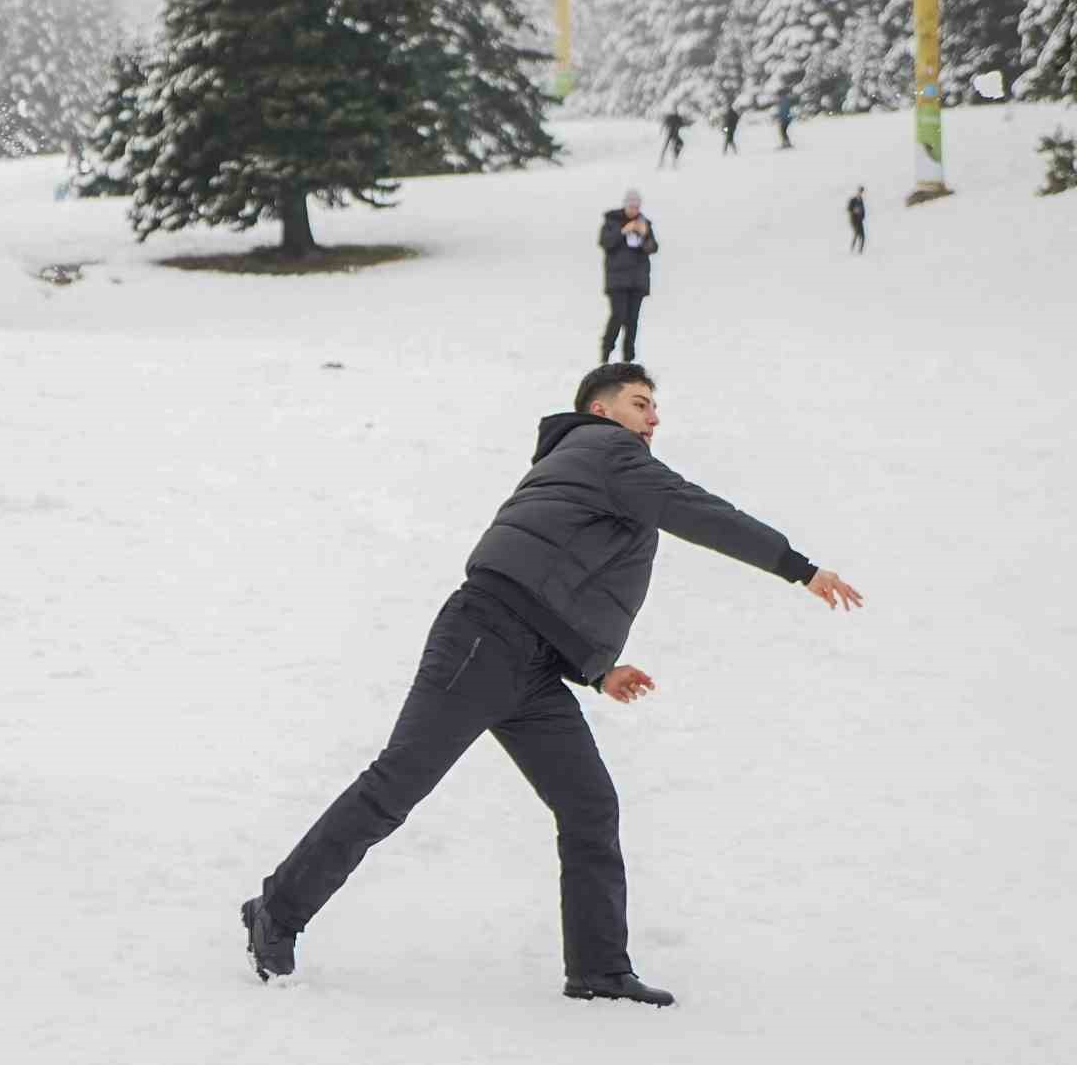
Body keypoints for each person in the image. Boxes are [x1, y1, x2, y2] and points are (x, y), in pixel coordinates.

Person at [241, 362, 864, 1006]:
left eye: (655, 408)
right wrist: (799, 569)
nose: (653, 419)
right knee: (397, 784)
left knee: (589, 805)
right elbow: (697, 511)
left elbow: (567, 580)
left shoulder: (606, 474)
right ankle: (277, 912)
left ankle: (598, 968)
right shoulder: (605, 450)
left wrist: (599, 671)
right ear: (602, 411)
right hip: (486, 636)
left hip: (533, 666)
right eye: (640, 403)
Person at [598, 190, 658, 364]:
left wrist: (645, 234)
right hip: (617, 281)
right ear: (625, 205)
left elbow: (652, 248)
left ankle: (628, 361)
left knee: (632, 322)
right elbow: (605, 242)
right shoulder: (612, 222)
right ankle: (605, 354)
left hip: (637, 281)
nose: (633, 209)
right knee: (618, 316)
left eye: (637, 206)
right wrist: (623, 231)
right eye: (631, 205)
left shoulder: (644, 223)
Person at [847, 185, 867, 254]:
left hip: (859, 220)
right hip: (853, 220)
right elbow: (848, 209)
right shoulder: (853, 200)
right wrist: (854, 211)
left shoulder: (861, 200)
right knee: (857, 233)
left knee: (863, 236)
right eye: (860, 191)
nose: (861, 193)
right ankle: (851, 249)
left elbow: (863, 210)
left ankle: (860, 251)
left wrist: (862, 216)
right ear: (857, 191)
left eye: (862, 192)